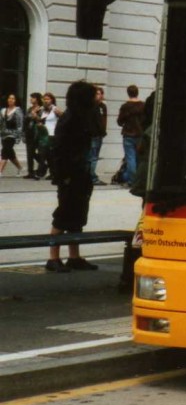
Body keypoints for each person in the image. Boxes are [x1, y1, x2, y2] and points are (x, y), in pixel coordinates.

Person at [45, 80, 99, 273]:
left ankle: (73, 257)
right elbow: (59, 151)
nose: (96, 99)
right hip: (70, 174)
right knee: (63, 214)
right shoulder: (70, 119)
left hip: (79, 173)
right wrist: (62, 176)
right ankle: (53, 257)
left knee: (76, 215)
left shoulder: (81, 116)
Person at [116, 84, 144, 186]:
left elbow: (119, 122)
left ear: (128, 93)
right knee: (139, 158)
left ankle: (133, 181)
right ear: (137, 92)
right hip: (140, 134)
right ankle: (140, 180)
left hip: (128, 134)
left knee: (130, 158)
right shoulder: (143, 106)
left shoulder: (125, 107)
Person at [36, 91, 58, 179]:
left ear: (52, 100)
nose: (46, 101)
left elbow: (63, 118)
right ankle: (43, 171)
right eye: (44, 99)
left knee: (49, 155)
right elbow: (38, 120)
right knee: (42, 153)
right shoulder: (41, 110)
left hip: (52, 134)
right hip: (42, 134)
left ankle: (45, 172)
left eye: (48, 99)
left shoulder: (55, 109)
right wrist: (36, 117)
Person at [89, 85, 108, 185]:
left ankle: (91, 175)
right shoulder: (92, 106)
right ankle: (92, 177)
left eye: (99, 94)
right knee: (93, 156)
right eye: (96, 94)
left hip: (99, 134)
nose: (98, 96)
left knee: (94, 156)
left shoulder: (102, 106)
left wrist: (103, 131)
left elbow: (103, 120)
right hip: (93, 134)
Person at [0, 93, 23, 175]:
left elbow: (20, 125)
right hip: (4, 134)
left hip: (12, 134)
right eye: (9, 98)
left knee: (5, 150)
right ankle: (20, 167)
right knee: (10, 153)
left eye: (13, 98)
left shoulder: (17, 111)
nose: (11, 100)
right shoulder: (3, 110)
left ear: (16, 100)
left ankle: (0, 170)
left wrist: (18, 137)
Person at [23, 92, 43, 180]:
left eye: (33, 98)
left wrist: (33, 114)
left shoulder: (41, 109)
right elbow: (26, 118)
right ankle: (30, 172)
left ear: (37, 99)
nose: (31, 99)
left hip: (37, 132)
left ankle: (43, 165)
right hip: (29, 131)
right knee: (29, 153)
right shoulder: (30, 109)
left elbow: (41, 119)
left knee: (33, 152)